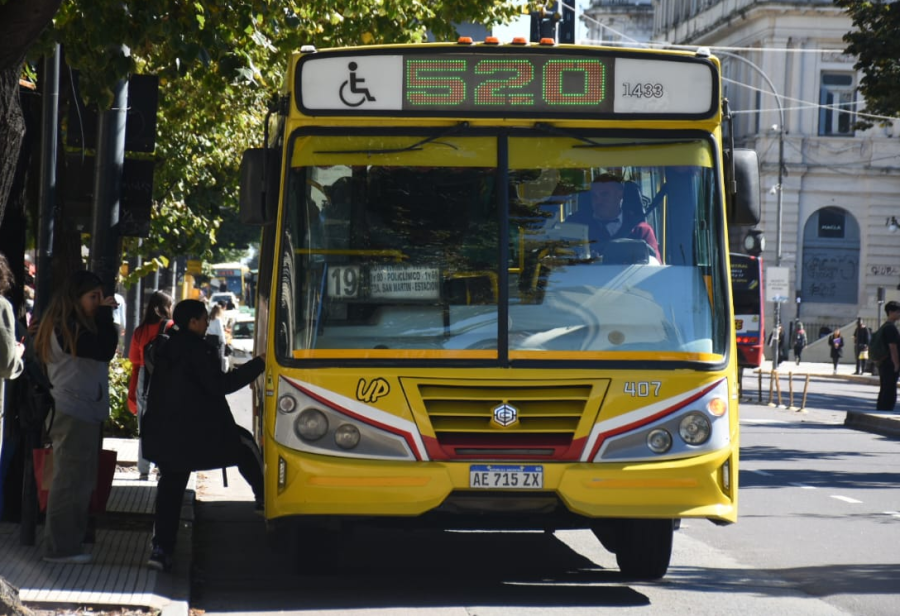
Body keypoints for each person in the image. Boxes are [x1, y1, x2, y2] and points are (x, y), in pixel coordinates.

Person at [141, 299, 265, 571]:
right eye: (203, 319)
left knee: (170, 489)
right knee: (244, 445)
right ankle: (264, 498)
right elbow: (222, 385)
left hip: (163, 430)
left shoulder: (162, 347)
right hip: (198, 430)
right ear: (193, 322)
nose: (208, 322)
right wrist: (259, 364)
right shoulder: (198, 350)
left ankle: (161, 550)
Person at [33, 270, 119, 564]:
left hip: (77, 409)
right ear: (75, 298)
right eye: (92, 297)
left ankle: (65, 544)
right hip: (74, 411)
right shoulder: (68, 328)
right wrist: (107, 316)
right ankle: (60, 549)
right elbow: (105, 350)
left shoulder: (65, 325)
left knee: (76, 481)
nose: (99, 302)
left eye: (100, 296)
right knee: (70, 482)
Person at [127, 290, 174, 480]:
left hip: (144, 379)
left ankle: (143, 469)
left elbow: (134, 360)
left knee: (145, 426)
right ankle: (163, 467)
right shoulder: (171, 326)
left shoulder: (140, 330)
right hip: (166, 380)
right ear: (165, 307)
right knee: (166, 423)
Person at [570, 173, 661, 263]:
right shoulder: (574, 227)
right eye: (594, 196)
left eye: (604, 194)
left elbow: (654, 267)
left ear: (619, 195)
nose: (598, 201)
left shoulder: (641, 230)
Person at [875, 301, 900, 411]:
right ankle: (885, 409)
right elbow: (892, 347)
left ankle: (881, 408)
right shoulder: (891, 328)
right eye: (898, 312)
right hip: (889, 363)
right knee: (889, 389)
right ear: (890, 312)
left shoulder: (885, 326)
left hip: (883, 362)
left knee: (885, 387)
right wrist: (896, 364)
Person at [206, 303, 228, 371]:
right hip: (217, 340)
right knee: (219, 357)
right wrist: (225, 342)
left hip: (208, 339)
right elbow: (220, 332)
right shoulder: (218, 320)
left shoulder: (208, 319)